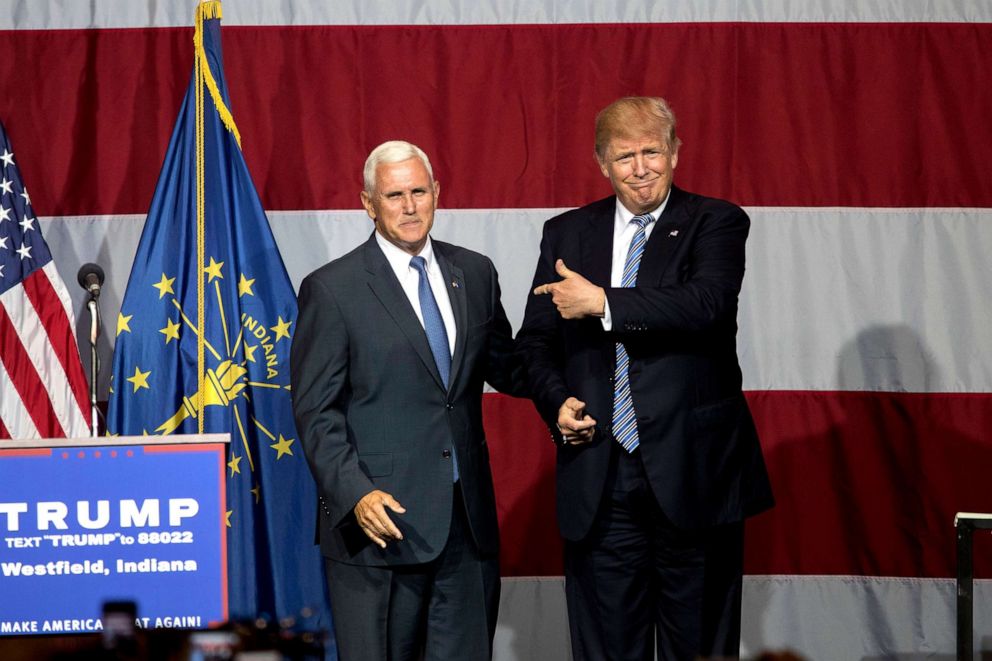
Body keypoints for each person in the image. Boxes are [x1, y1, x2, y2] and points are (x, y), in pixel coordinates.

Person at [516, 96, 774, 660]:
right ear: (601, 164)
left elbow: (705, 304)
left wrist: (602, 302)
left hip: (694, 473)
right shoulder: (566, 233)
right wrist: (557, 403)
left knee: (700, 648)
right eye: (625, 156)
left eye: (652, 151)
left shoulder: (716, 220)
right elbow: (535, 342)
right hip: (599, 478)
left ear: (675, 153)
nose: (641, 168)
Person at [290, 140, 523, 661]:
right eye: (394, 195)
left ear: (437, 194)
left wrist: (578, 341)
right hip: (381, 525)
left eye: (419, 191)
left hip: (465, 524)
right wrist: (355, 495)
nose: (410, 205)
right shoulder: (332, 289)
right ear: (368, 203)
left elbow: (510, 367)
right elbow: (315, 412)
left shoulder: (476, 272)